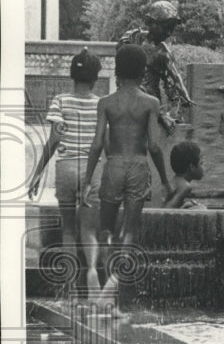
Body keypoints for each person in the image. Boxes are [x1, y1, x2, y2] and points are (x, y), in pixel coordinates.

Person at [83, 45, 171, 275]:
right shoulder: (151, 102)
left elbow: (97, 144)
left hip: (114, 165)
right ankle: (119, 287)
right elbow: (153, 145)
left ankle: (104, 284)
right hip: (138, 167)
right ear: (143, 72)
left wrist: (86, 180)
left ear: (117, 72)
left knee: (105, 229)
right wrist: (165, 179)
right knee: (130, 230)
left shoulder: (106, 103)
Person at [28, 48, 104, 295]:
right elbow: (105, 143)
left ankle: (70, 284)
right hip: (92, 170)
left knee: (68, 230)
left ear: (72, 75)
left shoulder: (60, 101)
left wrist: (37, 175)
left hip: (66, 168)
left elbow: (53, 141)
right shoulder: (101, 104)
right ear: (95, 78)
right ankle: (92, 271)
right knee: (89, 230)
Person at [117, 0, 194, 134]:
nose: (169, 32)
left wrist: (185, 98)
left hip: (152, 107)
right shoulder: (131, 40)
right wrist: (161, 114)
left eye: (172, 28)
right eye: (166, 26)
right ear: (151, 23)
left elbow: (175, 77)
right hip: (132, 106)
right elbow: (125, 81)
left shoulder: (163, 52)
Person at [163, 141, 206, 209]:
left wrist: (183, 206)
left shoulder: (175, 181)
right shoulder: (185, 186)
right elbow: (167, 210)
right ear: (192, 167)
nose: (204, 167)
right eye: (201, 163)